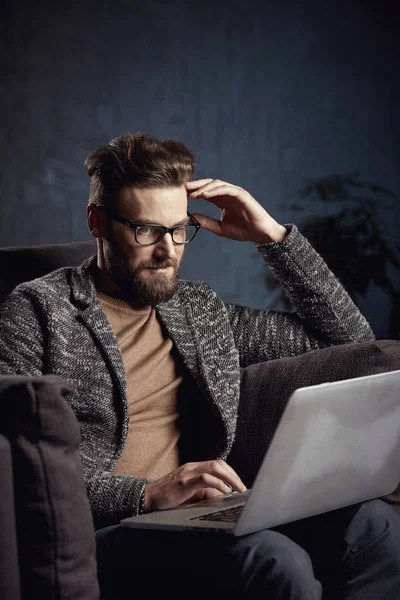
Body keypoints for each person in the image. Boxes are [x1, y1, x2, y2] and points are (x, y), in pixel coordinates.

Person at [0, 132, 399, 600]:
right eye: (146, 230)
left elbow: (353, 344)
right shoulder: (36, 312)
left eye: (178, 228)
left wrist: (272, 238)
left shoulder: (198, 308)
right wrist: (146, 493)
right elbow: (19, 472)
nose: (168, 251)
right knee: (272, 561)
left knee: (376, 526)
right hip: (111, 529)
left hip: (203, 514)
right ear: (98, 222)